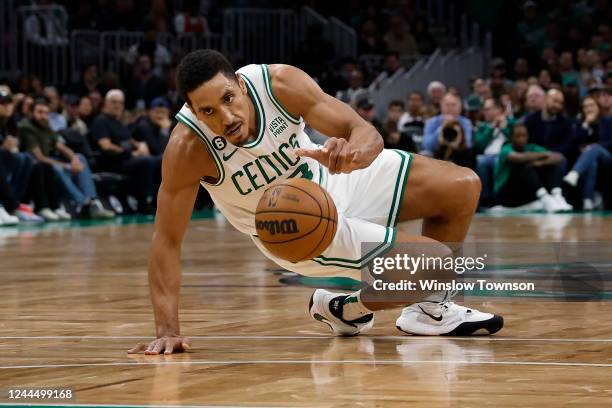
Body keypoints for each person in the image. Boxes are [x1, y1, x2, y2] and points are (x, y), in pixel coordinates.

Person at [128, 50, 503, 355]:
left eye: (228, 99)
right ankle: (347, 308)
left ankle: (425, 311)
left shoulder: (279, 84)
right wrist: (167, 330)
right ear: (194, 112)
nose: (226, 118)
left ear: (241, 85)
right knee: (436, 263)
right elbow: (166, 240)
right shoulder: (188, 148)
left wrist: (354, 153)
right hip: (297, 230)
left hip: (334, 181)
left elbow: (364, 131)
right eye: (208, 111)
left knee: (462, 184)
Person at [18, 98, 115, 220]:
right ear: (32, 112)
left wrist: (74, 159)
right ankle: (84, 203)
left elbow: (61, 146)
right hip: (37, 167)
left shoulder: (46, 126)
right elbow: (40, 157)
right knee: (56, 167)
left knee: (81, 158)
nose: (43, 116)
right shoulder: (26, 127)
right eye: (40, 112)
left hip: (50, 162)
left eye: (46, 113)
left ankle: (92, 201)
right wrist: (67, 166)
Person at [90, 89, 159, 214]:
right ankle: (144, 203)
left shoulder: (118, 123)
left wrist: (141, 145)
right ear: (105, 103)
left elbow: (130, 140)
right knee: (147, 162)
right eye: (113, 102)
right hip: (113, 162)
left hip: (128, 160)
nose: (117, 105)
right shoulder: (100, 121)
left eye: (120, 103)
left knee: (159, 160)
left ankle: (158, 201)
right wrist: (130, 153)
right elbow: (105, 145)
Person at [494, 125, 569, 212]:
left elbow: (559, 157)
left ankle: (557, 195)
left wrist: (541, 163)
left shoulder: (531, 147)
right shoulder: (506, 148)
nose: (521, 139)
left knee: (552, 165)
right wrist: (543, 155)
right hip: (505, 195)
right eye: (518, 136)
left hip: (525, 192)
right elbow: (518, 158)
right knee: (523, 166)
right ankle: (544, 198)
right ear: (511, 138)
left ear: (527, 136)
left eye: (524, 136)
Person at [563, 97, 612, 210]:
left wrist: (593, 147)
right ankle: (588, 200)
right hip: (589, 163)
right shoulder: (579, 125)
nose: (589, 109)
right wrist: (586, 124)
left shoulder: (608, 121)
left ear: (598, 108)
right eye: (585, 106)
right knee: (592, 162)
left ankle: (575, 173)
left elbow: (610, 142)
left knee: (594, 148)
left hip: (608, 159)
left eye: (591, 105)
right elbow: (573, 143)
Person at [474, 98, 517, 206]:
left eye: (488, 109)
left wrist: (504, 128)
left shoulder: (511, 123)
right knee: (480, 160)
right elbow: (480, 144)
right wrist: (492, 128)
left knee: (501, 161)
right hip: (487, 157)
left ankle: (501, 199)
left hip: (505, 156)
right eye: (484, 109)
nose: (485, 112)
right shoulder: (483, 126)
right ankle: (486, 200)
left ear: (498, 109)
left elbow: (517, 140)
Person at [523, 89, 577, 163]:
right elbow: (525, 141)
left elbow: (567, 145)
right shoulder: (531, 119)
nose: (557, 106)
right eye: (555, 101)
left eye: (561, 103)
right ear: (545, 99)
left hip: (554, 158)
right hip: (534, 155)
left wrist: (549, 153)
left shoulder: (565, 123)